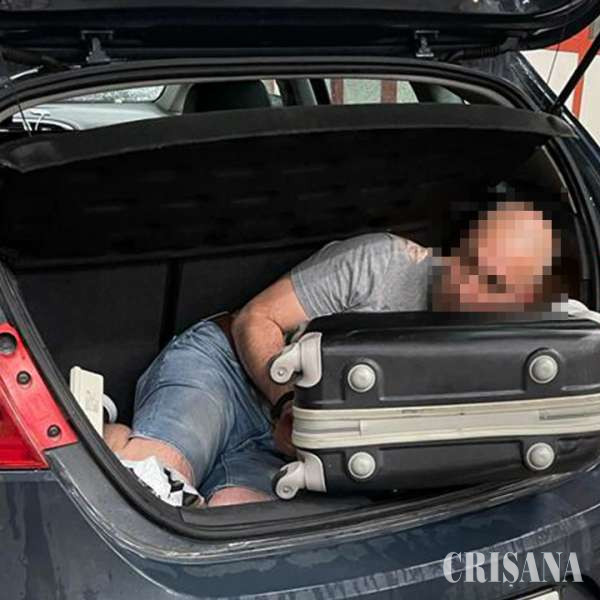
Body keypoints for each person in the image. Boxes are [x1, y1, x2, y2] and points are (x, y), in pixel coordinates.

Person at [104, 201, 559, 506]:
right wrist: (287, 403)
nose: (464, 286)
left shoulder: (521, 355)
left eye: (492, 284)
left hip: (301, 449)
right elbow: (255, 318)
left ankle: (118, 440)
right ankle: (108, 435)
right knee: (153, 481)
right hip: (227, 370)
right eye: (467, 260)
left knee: (228, 525)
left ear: (525, 301)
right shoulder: (383, 262)